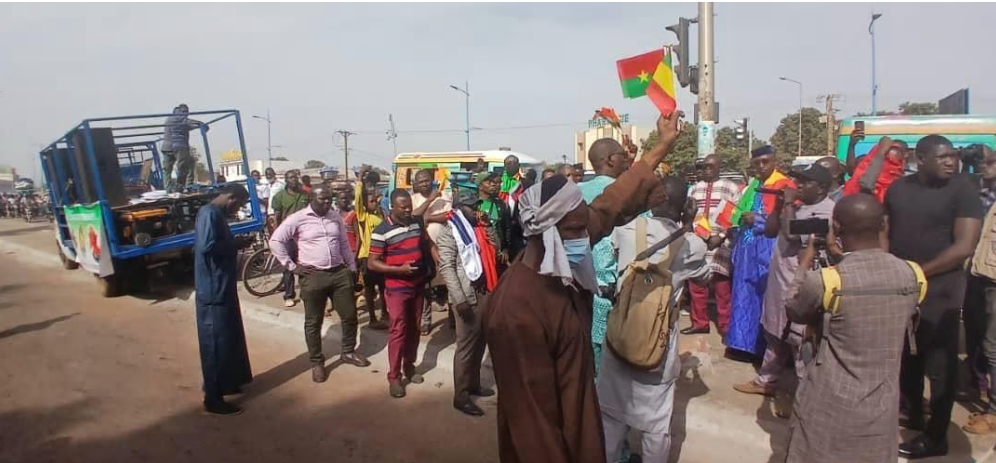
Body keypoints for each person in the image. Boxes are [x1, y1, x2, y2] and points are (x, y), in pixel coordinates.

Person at [483, 110, 682, 463]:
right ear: (544, 233)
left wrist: (661, 145)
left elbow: (613, 203)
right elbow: (532, 425)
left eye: (582, 228)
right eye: (575, 231)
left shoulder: (562, 249)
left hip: (579, 423)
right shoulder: (516, 311)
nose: (585, 238)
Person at [782, 194, 920, 463]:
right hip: (881, 407)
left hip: (829, 403)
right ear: (883, 226)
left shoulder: (828, 280)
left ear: (835, 227)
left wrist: (806, 261)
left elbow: (793, 308)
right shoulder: (911, 274)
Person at [598, 176, 708, 463]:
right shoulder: (692, 245)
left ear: (652, 201)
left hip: (620, 335)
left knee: (610, 418)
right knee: (656, 427)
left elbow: (610, 255)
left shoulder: (625, 231)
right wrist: (689, 223)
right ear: (685, 206)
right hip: (658, 346)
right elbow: (704, 276)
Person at [888, 135, 983, 458]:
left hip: (942, 289)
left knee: (940, 364)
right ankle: (912, 412)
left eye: (953, 156)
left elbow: (964, 247)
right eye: (942, 156)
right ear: (921, 157)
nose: (950, 162)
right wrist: (889, 268)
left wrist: (919, 273)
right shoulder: (898, 189)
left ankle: (937, 435)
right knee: (906, 354)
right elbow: (885, 231)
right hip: (902, 286)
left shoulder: (963, 191)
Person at [733, 164, 835, 397]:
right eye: (797, 180)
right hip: (780, 282)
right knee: (775, 334)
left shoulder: (826, 212)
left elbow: (791, 233)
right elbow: (770, 231)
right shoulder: (797, 208)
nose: (797, 186)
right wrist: (779, 205)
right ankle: (767, 381)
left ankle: (805, 395)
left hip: (800, 286)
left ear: (821, 188)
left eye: (805, 182)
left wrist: (788, 203)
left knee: (799, 340)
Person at [269, 185, 370, 383]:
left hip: (339, 273)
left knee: (349, 315)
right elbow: (276, 241)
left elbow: (342, 243)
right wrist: (291, 266)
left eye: (329, 199)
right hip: (313, 275)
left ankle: (348, 351)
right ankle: (317, 362)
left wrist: (351, 267)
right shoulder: (298, 218)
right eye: (323, 199)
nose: (327, 203)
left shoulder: (334, 217)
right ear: (311, 200)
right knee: (313, 322)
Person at [726, 146, 796, 358]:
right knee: (742, 295)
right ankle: (742, 345)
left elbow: (787, 220)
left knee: (766, 298)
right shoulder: (754, 185)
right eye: (756, 163)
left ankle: (764, 348)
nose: (760, 166)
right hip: (747, 249)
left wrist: (755, 219)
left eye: (765, 162)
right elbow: (738, 210)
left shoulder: (784, 185)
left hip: (768, 248)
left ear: (775, 161)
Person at [437, 189, 499, 416]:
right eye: (473, 207)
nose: (477, 211)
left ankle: (473, 384)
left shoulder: (477, 228)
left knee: (480, 341)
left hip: (484, 291)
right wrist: (459, 299)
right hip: (466, 296)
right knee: (465, 346)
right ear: (461, 208)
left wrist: (488, 225)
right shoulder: (449, 232)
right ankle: (461, 396)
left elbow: (497, 247)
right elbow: (447, 268)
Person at [193, 184, 253, 415]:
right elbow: (207, 247)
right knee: (215, 343)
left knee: (229, 338)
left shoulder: (216, 214)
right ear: (230, 197)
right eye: (238, 204)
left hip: (223, 287)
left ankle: (226, 381)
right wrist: (235, 244)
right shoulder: (209, 213)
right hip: (212, 290)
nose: (238, 209)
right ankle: (213, 396)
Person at [367, 189, 432, 398]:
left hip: (418, 285)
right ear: (392, 206)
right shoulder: (381, 230)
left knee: (414, 327)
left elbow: (426, 243)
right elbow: (373, 263)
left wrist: (436, 260)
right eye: (402, 207)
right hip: (396, 288)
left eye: (409, 207)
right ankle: (394, 377)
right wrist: (398, 270)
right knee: (398, 331)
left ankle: (409, 366)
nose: (407, 210)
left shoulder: (416, 223)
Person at [578, 137, 633, 372]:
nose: (627, 159)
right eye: (623, 156)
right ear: (611, 159)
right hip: (615, 289)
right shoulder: (628, 194)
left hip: (579, 286)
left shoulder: (575, 192)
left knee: (586, 349)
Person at [683, 154, 740, 336]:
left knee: (722, 286)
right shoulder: (694, 189)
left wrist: (721, 236)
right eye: (705, 166)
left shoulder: (730, 187)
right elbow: (689, 214)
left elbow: (734, 214)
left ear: (718, 168)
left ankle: (725, 326)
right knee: (696, 284)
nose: (707, 170)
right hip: (698, 241)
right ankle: (700, 322)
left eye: (711, 166)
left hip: (721, 242)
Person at [964, 146, 996, 434]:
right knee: (977, 337)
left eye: (990, 162)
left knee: (992, 345)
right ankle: (980, 388)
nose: (983, 166)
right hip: (978, 276)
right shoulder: (984, 197)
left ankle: (994, 412)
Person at [411, 169, 453, 335]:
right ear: (415, 184)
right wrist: (430, 200)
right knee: (426, 287)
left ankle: (453, 319)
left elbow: (449, 214)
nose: (424, 184)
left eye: (426, 180)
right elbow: (414, 216)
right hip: (423, 249)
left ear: (432, 180)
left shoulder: (444, 196)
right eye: (420, 181)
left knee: (450, 282)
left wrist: (428, 218)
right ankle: (426, 321)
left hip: (445, 247)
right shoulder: (413, 199)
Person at [355, 170, 389, 330]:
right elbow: (358, 199)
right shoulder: (364, 216)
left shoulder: (381, 217)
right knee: (369, 289)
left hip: (382, 257)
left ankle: (385, 314)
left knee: (383, 288)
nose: (375, 202)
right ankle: (372, 318)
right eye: (372, 201)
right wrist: (360, 179)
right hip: (367, 257)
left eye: (376, 200)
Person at [270, 170, 310, 308]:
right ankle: (289, 295)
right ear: (286, 180)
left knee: (304, 265)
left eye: (295, 177)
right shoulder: (279, 197)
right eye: (291, 178)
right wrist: (276, 234)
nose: (294, 179)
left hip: (303, 235)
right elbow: (277, 217)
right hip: (287, 236)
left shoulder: (305, 195)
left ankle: (305, 294)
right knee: (288, 267)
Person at [845, 133, 909, 203]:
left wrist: (881, 152)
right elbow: (865, 183)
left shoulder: (908, 182)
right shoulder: (871, 172)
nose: (889, 153)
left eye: (895, 149)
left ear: (905, 154)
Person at [161, 104, 205, 192]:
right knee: (184, 167)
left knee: (167, 170)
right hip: (179, 147)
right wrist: (202, 125)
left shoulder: (168, 120)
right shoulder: (181, 119)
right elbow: (194, 123)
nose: (186, 114)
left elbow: (187, 126)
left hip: (166, 148)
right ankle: (182, 187)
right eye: (185, 112)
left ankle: (168, 188)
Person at [475, 171, 513, 265]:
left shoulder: (501, 204)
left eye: (494, 182)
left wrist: (505, 249)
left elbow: (507, 228)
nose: (493, 184)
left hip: (497, 251)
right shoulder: (471, 203)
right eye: (489, 182)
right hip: (478, 250)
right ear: (480, 186)